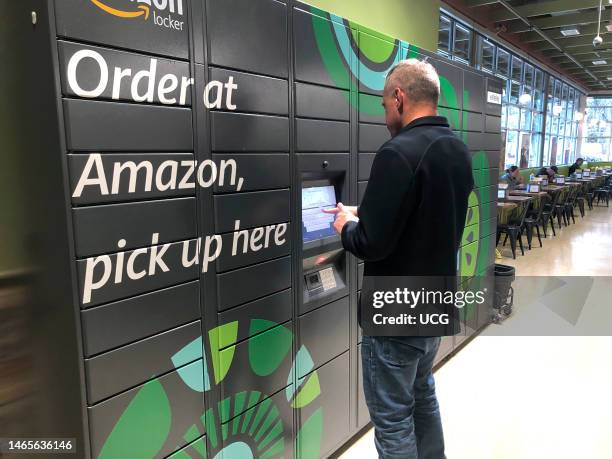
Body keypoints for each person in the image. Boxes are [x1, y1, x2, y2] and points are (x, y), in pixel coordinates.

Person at [324, 59, 473, 459]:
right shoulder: (457, 151)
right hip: (434, 305)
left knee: (392, 421)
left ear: (399, 97)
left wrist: (346, 227)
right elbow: (424, 214)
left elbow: (371, 244)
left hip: (394, 313)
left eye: (384, 104)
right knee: (423, 398)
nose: (385, 114)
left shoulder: (397, 151)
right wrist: (364, 210)